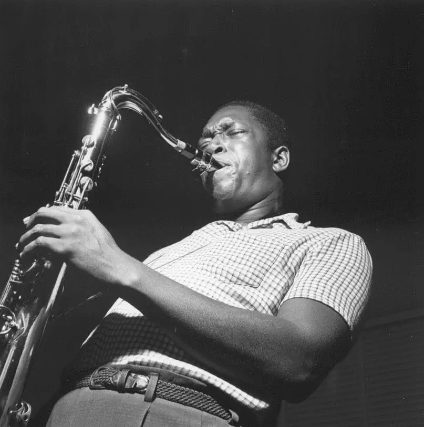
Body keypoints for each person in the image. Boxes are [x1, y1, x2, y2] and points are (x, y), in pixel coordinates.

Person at [20, 101, 372, 427]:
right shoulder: (167, 253)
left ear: (278, 158)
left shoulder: (328, 242)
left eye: (233, 132)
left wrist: (122, 268)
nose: (211, 145)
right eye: (206, 138)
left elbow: (300, 361)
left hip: (175, 412)